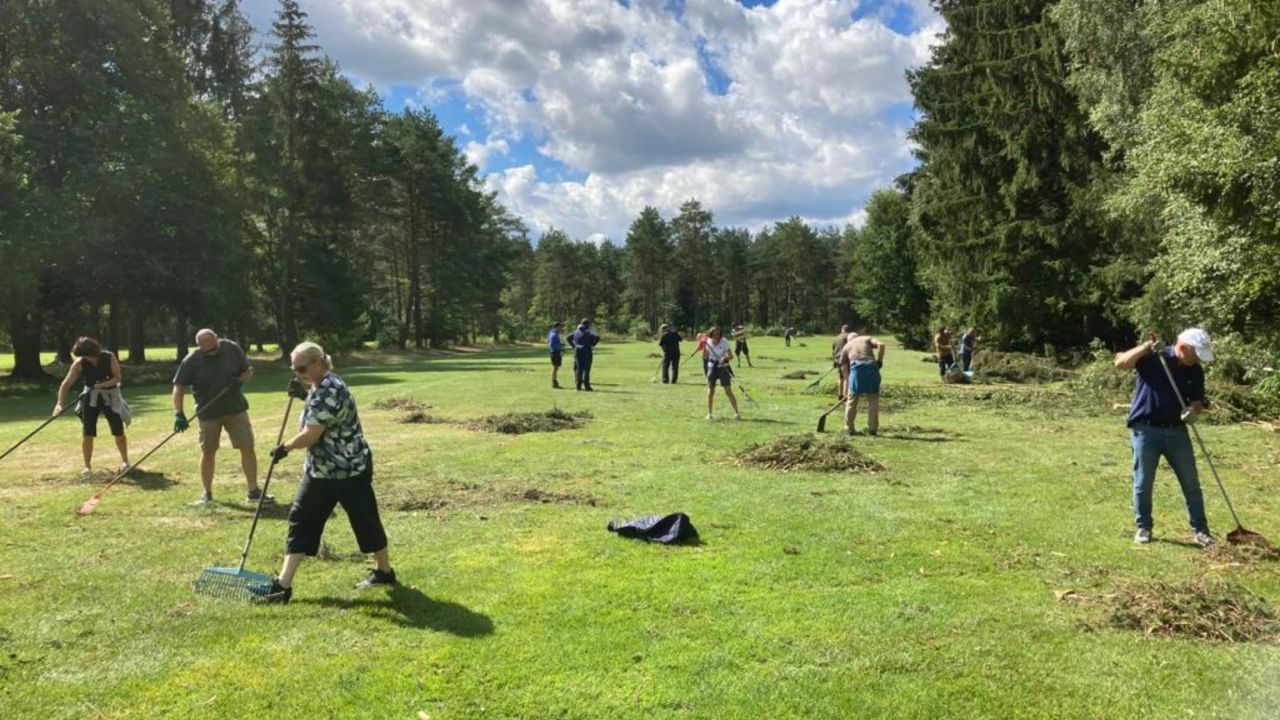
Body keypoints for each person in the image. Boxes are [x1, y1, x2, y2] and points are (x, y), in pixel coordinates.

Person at [259, 341, 396, 604]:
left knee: (365, 520)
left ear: (319, 362)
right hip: (320, 471)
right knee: (301, 519)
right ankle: (282, 586)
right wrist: (304, 395)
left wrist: (285, 448)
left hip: (348, 469)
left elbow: (311, 435)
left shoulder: (329, 390)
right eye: (294, 369)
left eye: (302, 368)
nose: (298, 373)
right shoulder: (319, 385)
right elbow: (322, 412)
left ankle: (384, 572)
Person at [1114, 328, 1216, 548]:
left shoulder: (1195, 371)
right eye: (1196, 354)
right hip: (1145, 430)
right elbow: (1120, 363)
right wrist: (1145, 347)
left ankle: (1201, 531)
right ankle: (1144, 527)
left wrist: (1193, 411)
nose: (1199, 360)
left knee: (1191, 483)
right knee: (1143, 482)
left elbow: (1197, 401)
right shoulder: (1153, 358)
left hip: (1177, 431)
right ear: (1183, 348)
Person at [173, 328, 272, 505]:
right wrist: (179, 414)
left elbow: (248, 371)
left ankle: (254, 491)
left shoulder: (231, 348)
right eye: (206, 351)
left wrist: (239, 381)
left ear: (217, 338)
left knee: (247, 446)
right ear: (199, 346)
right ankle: (207, 494)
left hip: (236, 408)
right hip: (208, 413)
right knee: (208, 451)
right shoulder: (191, 360)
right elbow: (178, 388)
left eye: (213, 348)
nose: (211, 352)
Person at [53, 336, 131, 478]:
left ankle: (125, 462)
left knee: (117, 429)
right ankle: (87, 467)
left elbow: (118, 378)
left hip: (111, 396)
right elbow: (66, 384)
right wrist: (59, 404)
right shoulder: (79, 363)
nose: (87, 359)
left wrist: (103, 385)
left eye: (88, 356)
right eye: (84, 356)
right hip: (90, 397)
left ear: (94, 352)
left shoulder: (109, 357)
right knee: (88, 432)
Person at [839, 331, 886, 436]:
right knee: (873, 400)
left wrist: (847, 389)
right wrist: (879, 361)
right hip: (872, 368)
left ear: (848, 340)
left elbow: (844, 369)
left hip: (857, 370)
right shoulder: (866, 338)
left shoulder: (846, 346)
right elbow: (882, 345)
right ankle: (872, 429)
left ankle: (849, 428)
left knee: (852, 401)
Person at [702, 326, 741, 421]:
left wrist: (725, 358)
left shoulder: (724, 341)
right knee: (711, 391)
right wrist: (703, 346)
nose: (717, 336)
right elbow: (705, 356)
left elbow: (731, 356)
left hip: (723, 367)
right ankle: (709, 414)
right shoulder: (708, 342)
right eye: (715, 334)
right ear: (711, 334)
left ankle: (736, 413)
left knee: (728, 390)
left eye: (719, 334)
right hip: (712, 366)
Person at [569, 318, 599, 391]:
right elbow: (597, 337)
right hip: (586, 351)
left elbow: (568, 338)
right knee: (586, 369)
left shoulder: (576, 331)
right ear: (588, 324)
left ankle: (578, 386)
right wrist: (593, 344)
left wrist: (574, 346)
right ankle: (586, 386)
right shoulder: (588, 331)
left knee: (579, 369)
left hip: (577, 351)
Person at [832, 325, 851, 400]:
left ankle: (840, 394)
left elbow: (833, 350)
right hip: (846, 359)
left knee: (841, 377)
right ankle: (846, 395)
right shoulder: (849, 337)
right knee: (847, 378)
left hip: (838, 359)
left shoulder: (836, 337)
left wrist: (834, 361)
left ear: (842, 330)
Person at [548, 321, 565, 389]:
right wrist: (560, 348)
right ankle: (554, 382)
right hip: (555, 353)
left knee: (556, 367)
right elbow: (552, 344)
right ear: (557, 327)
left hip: (555, 352)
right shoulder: (554, 334)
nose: (561, 328)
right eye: (560, 327)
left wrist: (561, 345)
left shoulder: (553, 333)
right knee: (555, 367)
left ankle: (554, 381)